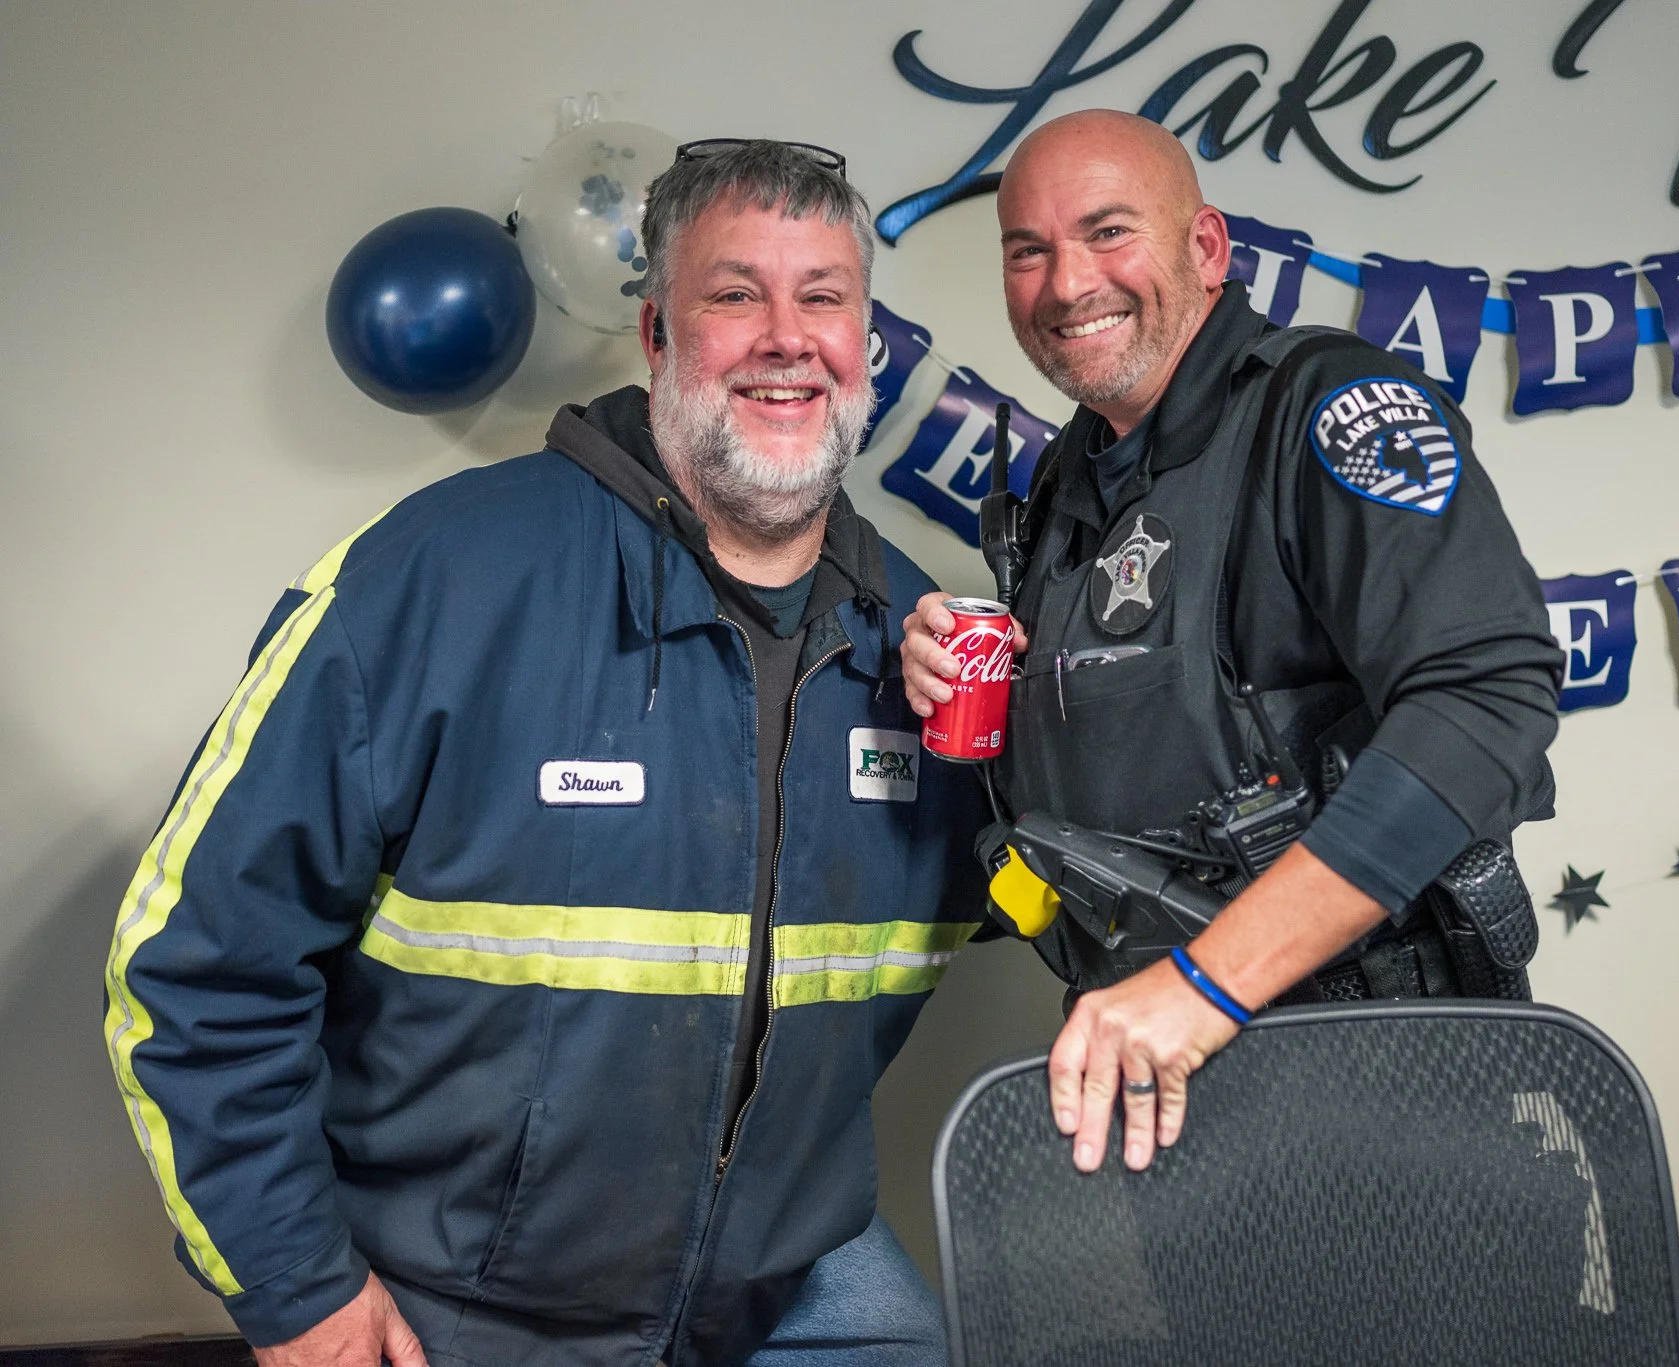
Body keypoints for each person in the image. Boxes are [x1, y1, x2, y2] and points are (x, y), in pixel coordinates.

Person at [104, 140, 979, 1367]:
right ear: (657, 334)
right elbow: (194, 966)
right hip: (462, 1301)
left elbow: (1043, 895)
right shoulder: (435, 576)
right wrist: (297, 1291)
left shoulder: (923, 642)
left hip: (784, 1281)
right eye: (735, 294)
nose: (787, 338)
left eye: (823, 297)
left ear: (863, 341)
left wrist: (1041, 743)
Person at [901, 111, 1562, 1178]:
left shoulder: (1333, 406)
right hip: (1163, 1090)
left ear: (1205, 248)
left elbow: (1488, 697)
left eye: (1108, 231)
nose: (1067, 283)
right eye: (1028, 251)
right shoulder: (1070, 478)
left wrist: (1205, 983)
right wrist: (975, 680)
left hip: (1387, 1087)